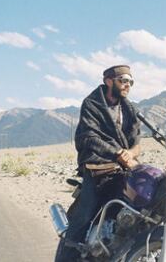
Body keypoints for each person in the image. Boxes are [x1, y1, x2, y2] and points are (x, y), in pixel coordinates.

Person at [55, 65, 141, 261]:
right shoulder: (92, 104)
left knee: (140, 205)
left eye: (130, 82)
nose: (128, 85)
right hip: (97, 165)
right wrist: (118, 152)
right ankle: (67, 255)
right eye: (123, 80)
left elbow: (137, 140)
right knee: (86, 212)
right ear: (109, 81)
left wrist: (131, 153)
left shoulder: (129, 109)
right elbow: (89, 136)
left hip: (124, 165)